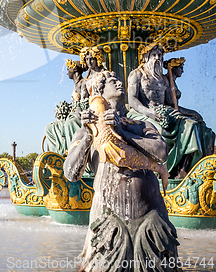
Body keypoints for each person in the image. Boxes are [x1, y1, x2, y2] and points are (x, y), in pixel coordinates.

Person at [64, 71, 179, 272]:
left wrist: (122, 131)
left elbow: (161, 154)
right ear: (100, 89)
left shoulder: (142, 126)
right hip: (109, 222)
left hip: (151, 218)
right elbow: (70, 173)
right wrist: (90, 136)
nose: (119, 82)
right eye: (111, 80)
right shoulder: (85, 130)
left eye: (118, 79)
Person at [127, 44, 215, 178]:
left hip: (165, 111)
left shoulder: (163, 78)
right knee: (159, 132)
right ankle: (157, 170)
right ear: (146, 57)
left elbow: (171, 103)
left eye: (160, 56)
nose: (158, 58)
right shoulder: (137, 75)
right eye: (154, 55)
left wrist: (191, 113)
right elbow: (132, 100)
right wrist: (149, 112)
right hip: (142, 112)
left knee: (192, 127)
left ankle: (183, 170)